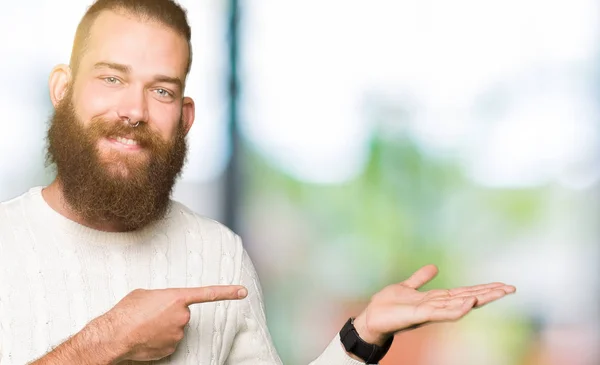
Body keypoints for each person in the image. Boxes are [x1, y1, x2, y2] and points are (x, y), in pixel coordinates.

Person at [0, 0, 516, 364]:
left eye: (160, 91)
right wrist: (106, 342)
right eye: (111, 78)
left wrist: (364, 335)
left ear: (185, 118)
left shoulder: (217, 254)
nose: (133, 110)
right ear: (63, 90)